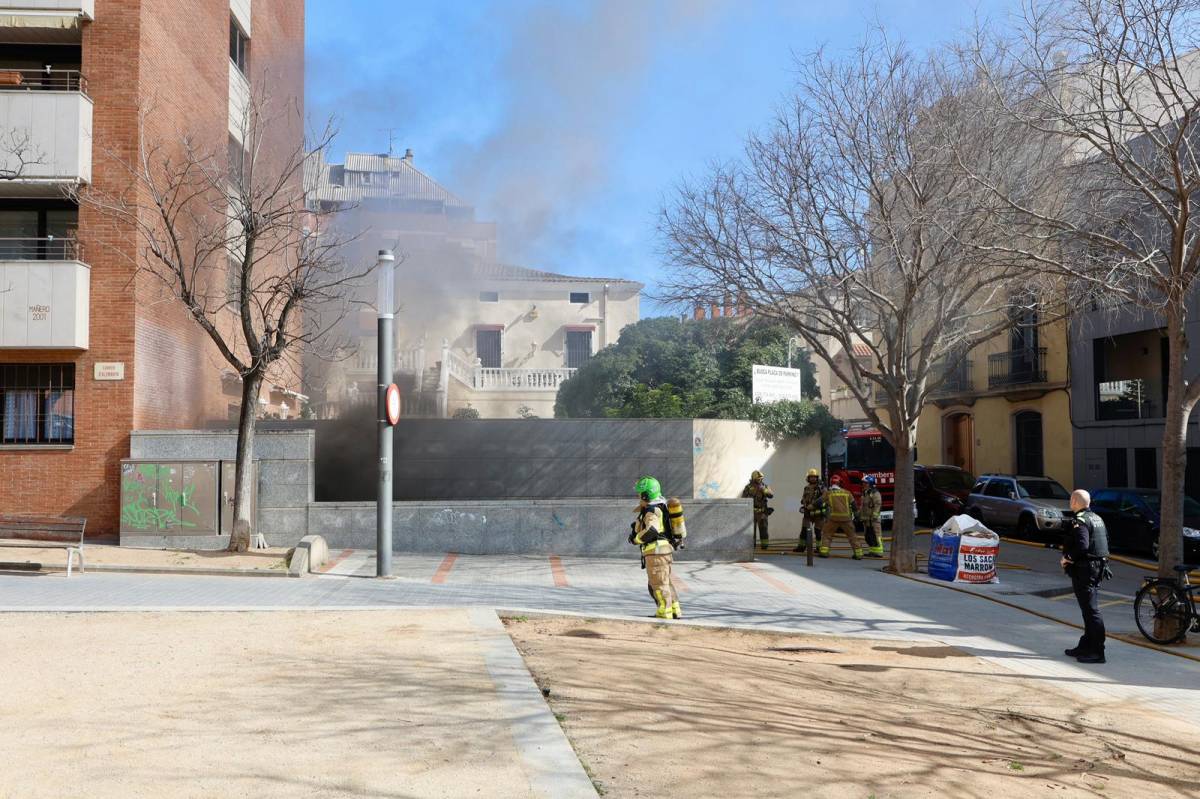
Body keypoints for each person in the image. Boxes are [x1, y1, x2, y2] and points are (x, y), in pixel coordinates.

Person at [1061, 489, 1110, 664]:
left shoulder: (1080, 520)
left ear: (1075, 501)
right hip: (1096, 568)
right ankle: (1086, 645)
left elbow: (1082, 546)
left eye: (1071, 499)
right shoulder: (1096, 518)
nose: (1070, 502)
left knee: (1091, 611)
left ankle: (1097, 651)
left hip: (1086, 569)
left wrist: (1067, 558)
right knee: (1088, 610)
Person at [629, 475, 682, 620]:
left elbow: (652, 530)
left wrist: (636, 539)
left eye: (640, 493)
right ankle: (675, 610)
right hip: (664, 551)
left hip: (655, 552)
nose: (638, 496)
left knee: (658, 583)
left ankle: (664, 611)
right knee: (666, 582)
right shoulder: (661, 506)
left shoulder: (651, 510)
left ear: (646, 495)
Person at [819, 475, 864, 560]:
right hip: (846, 519)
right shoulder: (847, 493)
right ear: (840, 483)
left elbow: (819, 501)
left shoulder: (828, 493)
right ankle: (858, 554)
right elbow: (854, 505)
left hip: (833, 519)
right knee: (852, 536)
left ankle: (824, 552)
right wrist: (857, 516)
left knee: (827, 534)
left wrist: (811, 506)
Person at [794, 468, 826, 553]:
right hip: (807, 513)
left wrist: (814, 505)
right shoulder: (806, 488)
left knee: (818, 531)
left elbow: (824, 497)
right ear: (808, 478)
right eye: (811, 477)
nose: (812, 478)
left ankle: (819, 548)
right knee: (804, 530)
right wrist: (803, 504)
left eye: (814, 477)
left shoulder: (821, 487)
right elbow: (804, 498)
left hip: (818, 513)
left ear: (817, 478)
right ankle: (801, 547)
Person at [741, 470, 775, 550]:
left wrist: (764, 490)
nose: (760, 480)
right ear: (754, 478)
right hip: (751, 513)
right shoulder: (748, 487)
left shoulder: (764, 486)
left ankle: (764, 546)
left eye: (761, 478)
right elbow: (743, 499)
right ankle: (751, 546)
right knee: (751, 531)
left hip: (762, 513)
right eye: (758, 478)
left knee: (763, 530)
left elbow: (771, 495)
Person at [859, 476, 886, 558]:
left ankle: (879, 552)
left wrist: (875, 515)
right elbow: (863, 506)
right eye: (863, 483)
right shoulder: (865, 493)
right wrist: (860, 516)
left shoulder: (875, 493)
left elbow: (878, 504)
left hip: (873, 520)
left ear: (870, 484)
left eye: (865, 483)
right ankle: (872, 551)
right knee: (868, 536)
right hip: (867, 519)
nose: (863, 484)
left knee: (876, 535)